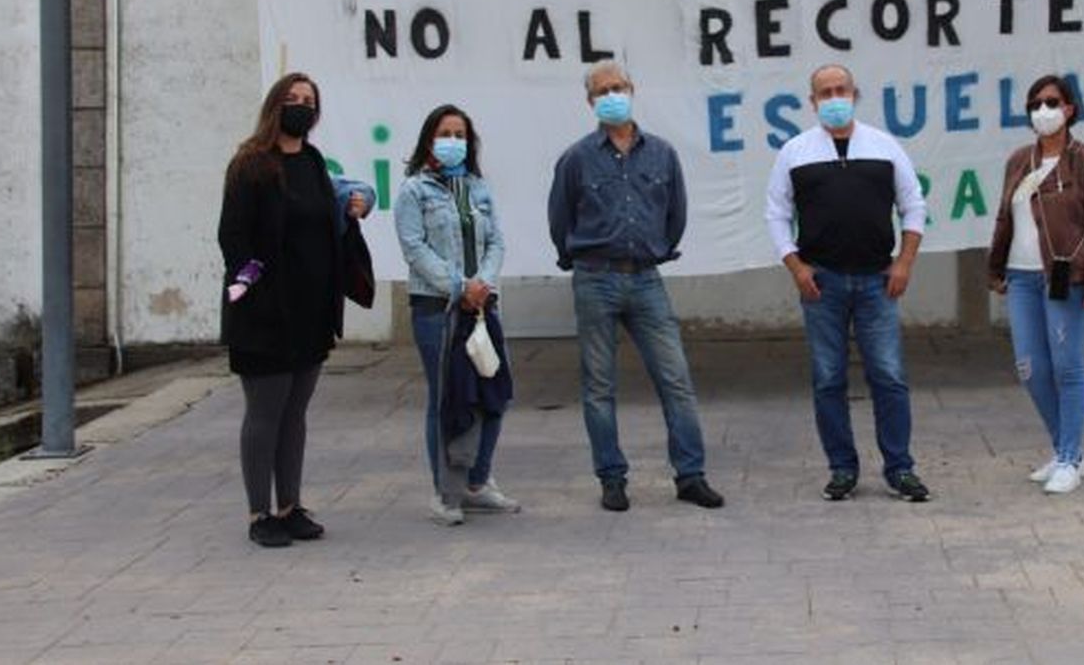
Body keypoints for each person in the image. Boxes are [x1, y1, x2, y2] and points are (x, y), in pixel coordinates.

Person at [547, 61, 724, 513]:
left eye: (618, 86)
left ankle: (691, 475)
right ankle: (611, 477)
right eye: (602, 90)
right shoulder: (575, 158)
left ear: (632, 89)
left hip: (646, 278)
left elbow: (676, 213)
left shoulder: (662, 154)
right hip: (595, 278)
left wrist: (658, 249)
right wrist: (579, 258)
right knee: (599, 386)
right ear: (590, 102)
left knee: (676, 379)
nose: (612, 95)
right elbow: (560, 219)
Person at [219, 72, 374, 547]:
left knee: (295, 414)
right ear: (274, 106)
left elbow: (344, 207)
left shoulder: (311, 162)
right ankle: (258, 513)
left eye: (309, 101)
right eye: (292, 99)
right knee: (264, 412)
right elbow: (234, 238)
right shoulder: (250, 164)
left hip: (310, 311)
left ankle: (290, 505)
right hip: (264, 313)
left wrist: (357, 205)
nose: (301, 107)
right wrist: (254, 289)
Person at [765, 64, 932, 503]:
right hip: (821, 283)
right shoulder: (795, 152)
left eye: (841, 89)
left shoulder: (884, 146)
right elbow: (776, 215)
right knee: (827, 380)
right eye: (824, 92)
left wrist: (905, 263)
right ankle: (842, 469)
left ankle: (900, 469)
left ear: (855, 94)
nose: (833, 97)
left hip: (878, 281)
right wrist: (797, 269)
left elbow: (913, 206)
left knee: (890, 377)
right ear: (812, 101)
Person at [394, 104, 520, 525]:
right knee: (447, 397)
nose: (453, 141)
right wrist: (458, 286)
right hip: (437, 309)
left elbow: (496, 242)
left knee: (493, 393)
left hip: (482, 306)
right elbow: (414, 247)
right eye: (445, 133)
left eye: (461, 135)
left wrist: (481, 283)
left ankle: (477, 482)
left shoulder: (477, 189)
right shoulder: (414, 190)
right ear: (430, 140)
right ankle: (445, 493)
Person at [988, 74, 1084, 495]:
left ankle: (1068, 457)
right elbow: (1005, 218)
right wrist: (996, 268)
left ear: (1070, 108)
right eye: (1035, 103)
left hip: (1065, 276)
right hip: (1021, 276)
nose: (1043, 110)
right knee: (1030, 368)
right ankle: (1069, 451)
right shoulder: (1019, 161)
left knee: (1067, 365)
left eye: (1052, 102)